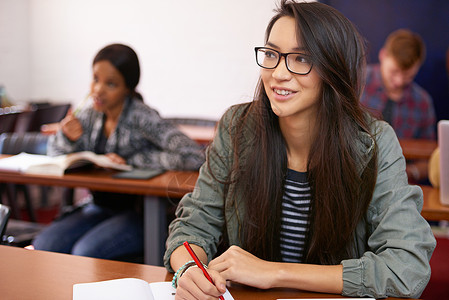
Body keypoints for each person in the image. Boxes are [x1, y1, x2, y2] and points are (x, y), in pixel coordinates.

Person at [164, 1, 435, 299]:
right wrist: (188, 268)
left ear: (334, 68)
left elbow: (406, 268)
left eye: (301, 59)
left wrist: (274, 272)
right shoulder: (237, 127)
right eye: (271, 54)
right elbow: (193, 225)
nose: (279, 73)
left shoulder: (375, 142)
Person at [32, 43, 205, 259]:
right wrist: (66, 138)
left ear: (128, 88)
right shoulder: (88, 115)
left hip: (141, 213)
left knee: (85, 253)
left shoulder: (142, 116)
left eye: (110, 84)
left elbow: (191, 155)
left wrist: (132, 160)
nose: (97, 90)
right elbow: (55, 156)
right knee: (45, 243)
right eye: (95, 79)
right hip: (98, 206)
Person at [361, 29, 436, 183]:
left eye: (408, 76)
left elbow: (430, 158)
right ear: (383, 55)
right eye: (394, 72)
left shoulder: (422, 102)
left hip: (399, 185)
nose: (399, 81)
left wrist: (410, 172)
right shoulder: (356, 82)